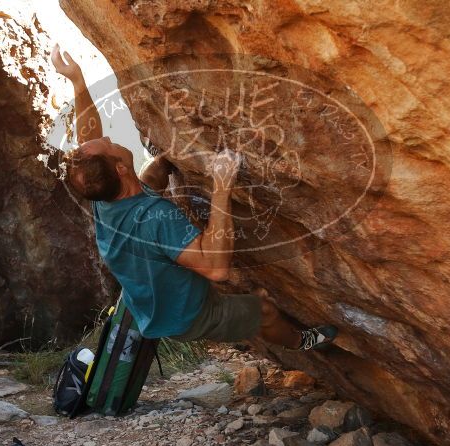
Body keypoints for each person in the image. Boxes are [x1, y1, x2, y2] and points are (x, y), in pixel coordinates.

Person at [51, 45, 337, 351]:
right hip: (187, 316)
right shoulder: (157, 218)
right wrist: (222, 184)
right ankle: (303, 342)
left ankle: (163, 161)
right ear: (121, 169)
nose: (107, 138)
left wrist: (78, 83)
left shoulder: (100, 191)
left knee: (155, 172)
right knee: (264, 311)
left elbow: (88, 139)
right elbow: (216, 269)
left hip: (153, 299)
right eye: (107, 145)